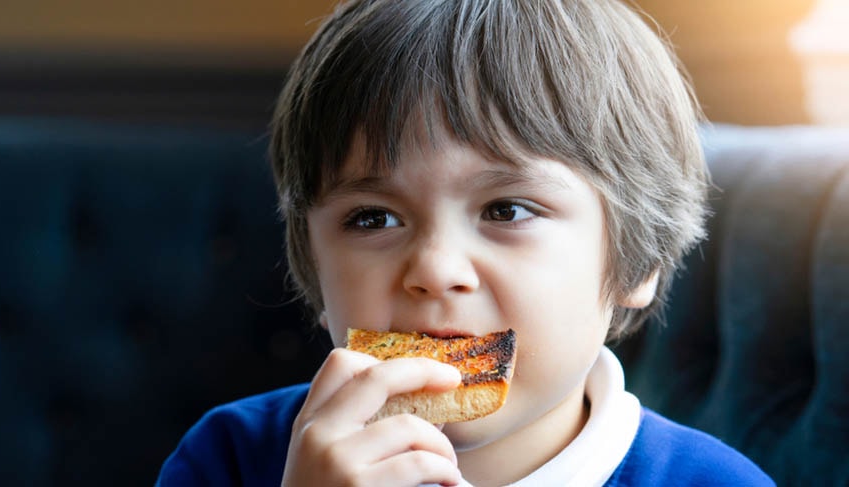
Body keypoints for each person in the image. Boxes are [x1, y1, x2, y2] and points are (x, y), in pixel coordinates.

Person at [157, 0, 775, 485]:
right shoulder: (230, 458)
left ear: (636, 261)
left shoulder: (715, 481)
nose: (434, 269)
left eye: (506, 209)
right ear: (317, 271)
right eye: (373, 218)